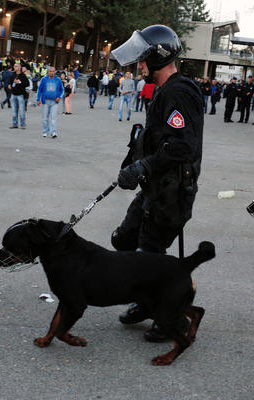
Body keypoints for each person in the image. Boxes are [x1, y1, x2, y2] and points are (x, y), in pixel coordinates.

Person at [111, 24, 204, 342]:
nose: (138, 66)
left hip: (172, 192)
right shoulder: (165, 91)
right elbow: (158, 141)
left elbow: (182, 147)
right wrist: (134, 163)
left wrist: (142, 167)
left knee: (150, 253)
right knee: (125, 240)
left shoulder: (180, 92)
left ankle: (172, 318)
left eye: (142, 60)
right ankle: (148, 300)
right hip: (155, 186)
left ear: (157, 57)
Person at [37, 66, 64, 138]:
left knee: (53, 117)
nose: (51, 72)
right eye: (50, 71)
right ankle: (45, 131)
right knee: (45, 118)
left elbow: (62, 90)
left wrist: (59, 97)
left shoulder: (58, 80)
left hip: (54, 102)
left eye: (53, 71)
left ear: (55, 72)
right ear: (48, 72)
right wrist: (38, 99)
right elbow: (39, 89)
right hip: (45, 101)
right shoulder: (44, 79)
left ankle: (53, 132)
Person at [8, 63, 29, 129]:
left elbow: (27, 84)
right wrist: (9, 85)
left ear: (19, 67)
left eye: (16, 66)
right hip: (13, 94)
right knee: (14, 110)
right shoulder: (13, 74)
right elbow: (10, 82)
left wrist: (19, 82)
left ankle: (23, 124)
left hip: (21, 95)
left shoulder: (23, 75)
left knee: (22, 111)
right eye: (14, 66)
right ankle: (15, 124)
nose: (14, 67)